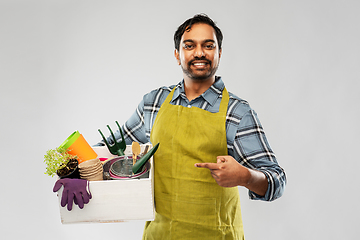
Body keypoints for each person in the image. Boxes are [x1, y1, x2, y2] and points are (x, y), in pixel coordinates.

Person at [98, 14, 286, 239]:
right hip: (159, 235)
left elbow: (277, 181)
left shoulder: (237, 113)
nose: (199, 53)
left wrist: (245, 176)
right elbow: (109, 149)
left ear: (219, 53)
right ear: (177, 55)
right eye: (190, 45)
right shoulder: (154, 103)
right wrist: (74, 172)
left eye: (208, 45)